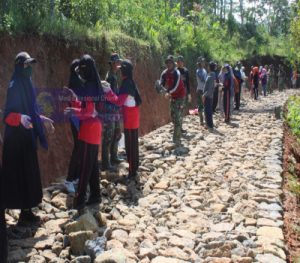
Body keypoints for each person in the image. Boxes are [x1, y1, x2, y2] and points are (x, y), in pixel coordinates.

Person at [1, 52, 54, 225]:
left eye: (30, 65)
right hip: (15, 141)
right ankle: (22, 214)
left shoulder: (27, 84)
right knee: (19, 176)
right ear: (19, 66)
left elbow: (32, 109)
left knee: (29, 174)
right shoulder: (14, 85)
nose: (29, 68)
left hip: (26, 139)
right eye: (26, 65)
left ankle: (27, 212)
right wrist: (20, 118)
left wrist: (42, 119)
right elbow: (7, 115)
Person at [64, 54, 102, 210]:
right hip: (95, 130)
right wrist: (75, 100)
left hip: (88, 131)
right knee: (92, 166)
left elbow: (89, 112)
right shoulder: (94, 84)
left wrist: (73, 110)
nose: (80, 73)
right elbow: (88, 107)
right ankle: (95, 196)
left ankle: (79, 202)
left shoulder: (89, 87)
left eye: (82, 70)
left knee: (85, 168)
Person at [103, 59, 142, 181]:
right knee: (133, 143)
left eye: (121, 70)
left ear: (124, 71)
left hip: (130, 117)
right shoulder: (131, 81)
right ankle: (134, 167)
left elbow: (119, 102)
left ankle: (132, 172)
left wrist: (108, 91)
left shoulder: (126, 83)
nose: (120, 72)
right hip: (133, 115)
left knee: (130, 144)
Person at [101, 53, 123, 171]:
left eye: (119, 62)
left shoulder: (113, 75)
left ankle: (114, 156)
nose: (118, 64)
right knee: (108, 137)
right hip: (109, 111)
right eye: (117, 62)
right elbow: (110, 96)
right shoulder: (110, 77)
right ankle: (106, 163)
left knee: (117, 134)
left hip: (114, 110)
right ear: (112, 63)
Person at [64, 59, 83, 194]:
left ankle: (75, 176)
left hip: (77, 117)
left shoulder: (76, 80)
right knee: (78, 148)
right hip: (76, 118)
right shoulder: (75, 81)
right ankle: (69, 180)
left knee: (80, 148)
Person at [176, 55, 191, 120]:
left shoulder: (186, 71)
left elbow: (187, 83)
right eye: (178, 62)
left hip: (183, 92)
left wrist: (189, 94)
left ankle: (180, 125)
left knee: (181, 108)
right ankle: (177, 124)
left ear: (183, 62)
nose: (179, 63)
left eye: (180, 62)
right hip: (176, 92)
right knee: (176, 109)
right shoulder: (175, 71)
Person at [202, 62, 216, 129]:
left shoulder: (211, 76)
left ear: (209, 67)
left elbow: (210, 89)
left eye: (208, 66)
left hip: (208, 96)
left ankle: (209, 125)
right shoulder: (211, 75)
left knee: (207, 111)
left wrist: (204, 95)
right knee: (208, 110)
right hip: (209, 95)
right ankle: (209, 124)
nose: (207, 67)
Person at [196, 57, 207, 125]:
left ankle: (203, 120)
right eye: (202, 62)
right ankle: (202, 121)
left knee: (203, 105)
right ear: (200, 63)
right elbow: (203, 79)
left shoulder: (204, 70)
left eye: (203, 61)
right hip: (200, 90)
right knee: (201, 105)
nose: (203, 63)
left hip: (203, 89)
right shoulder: (199, 71)